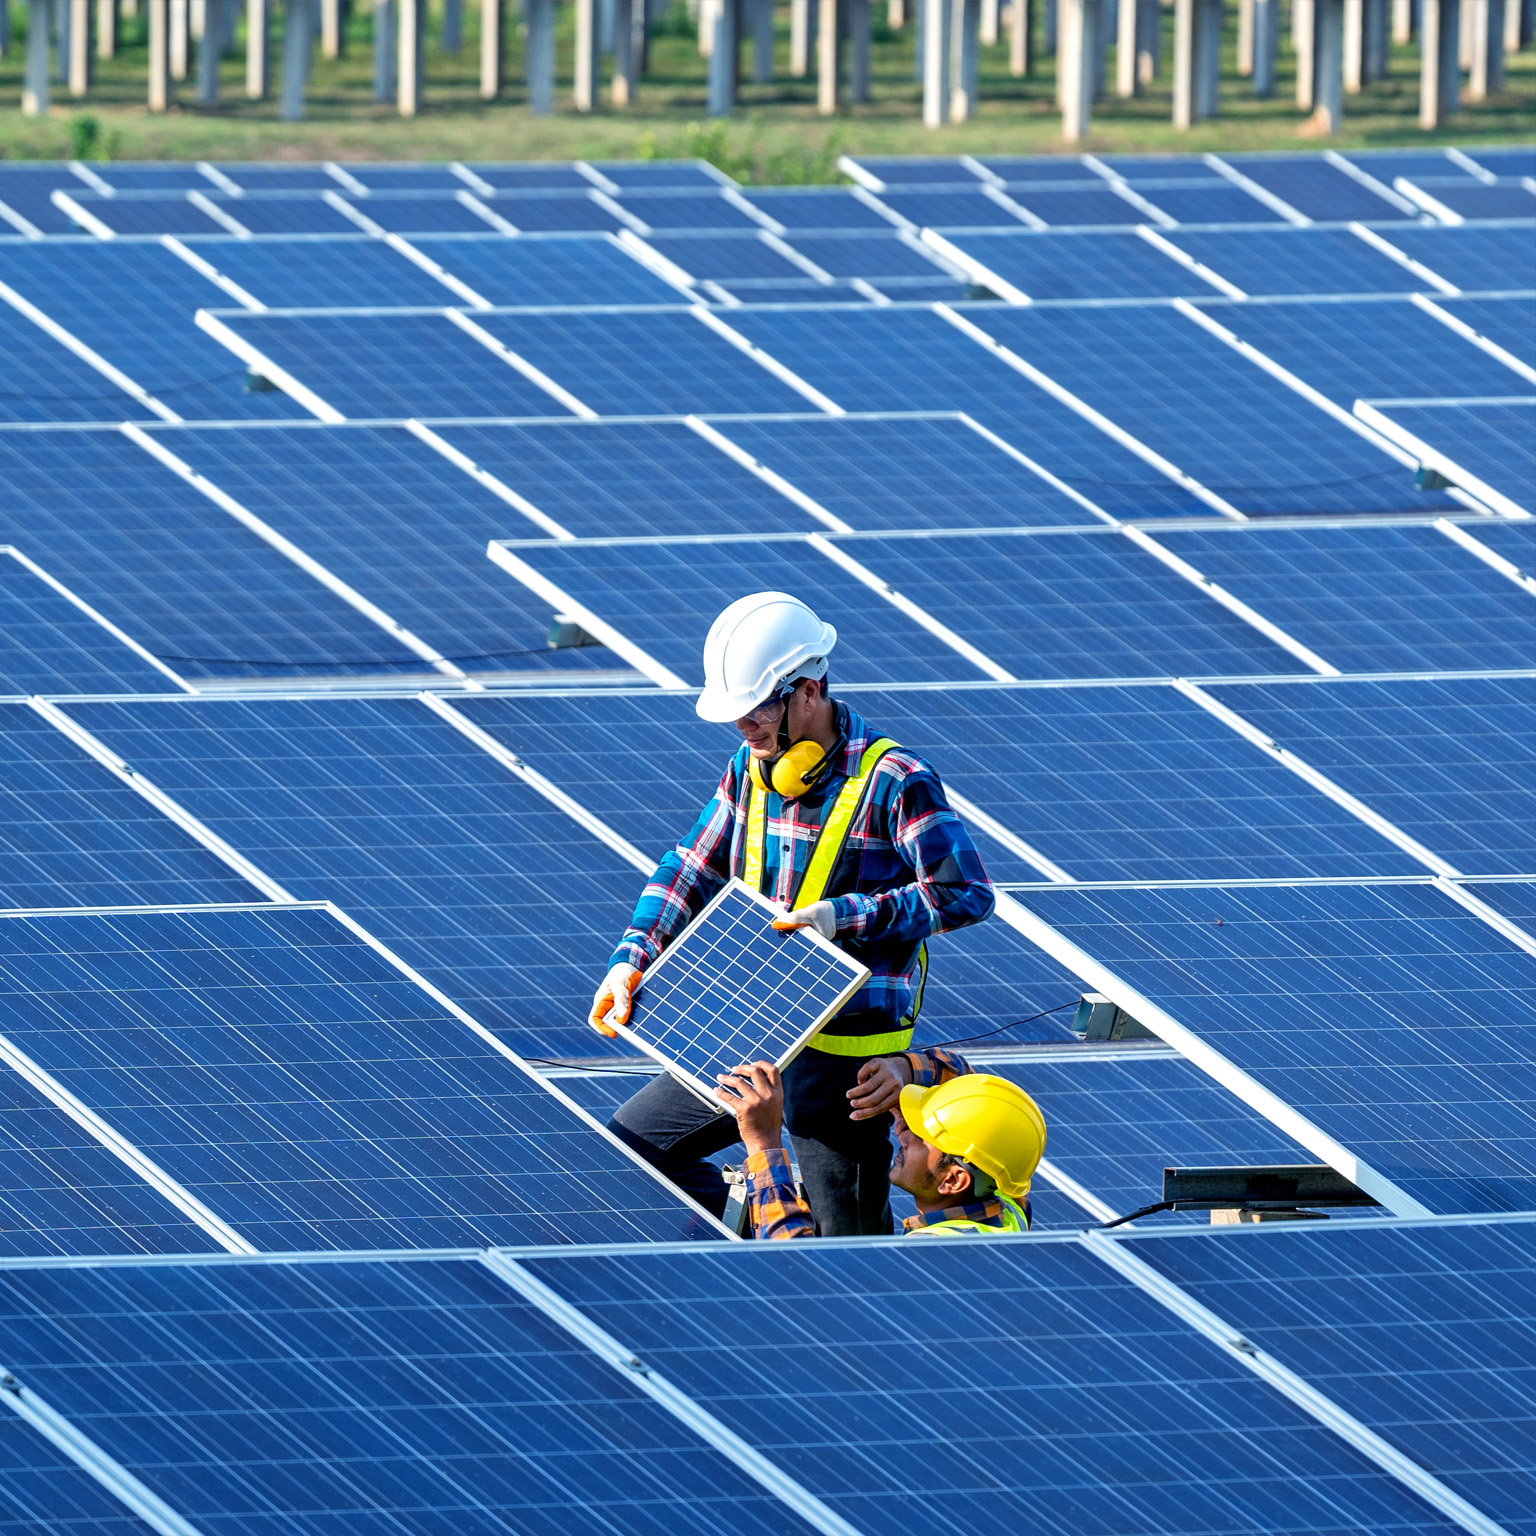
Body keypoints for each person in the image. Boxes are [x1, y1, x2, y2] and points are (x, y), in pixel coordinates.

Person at [589, 591, 996, 1236]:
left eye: (754, 711)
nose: (743, 728)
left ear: (807, 690)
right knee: (633, 1145)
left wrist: (842, 918)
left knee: (842, 1256)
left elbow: (965, 894)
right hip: (752, 1030)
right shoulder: (749, 769)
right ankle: (751, 1214)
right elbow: (692, 865)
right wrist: (629, 959)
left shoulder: (896, 779)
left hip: (847, 1064)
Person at [714, 1052, 1046, 1238]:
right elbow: (974, 1089)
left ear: (954, 1180)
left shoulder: (932, 1255)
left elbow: (795, 1268)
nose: (900, 1133)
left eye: (919, 1137)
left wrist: (763, 1144)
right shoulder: (1007, 1206)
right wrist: (905, 1069)